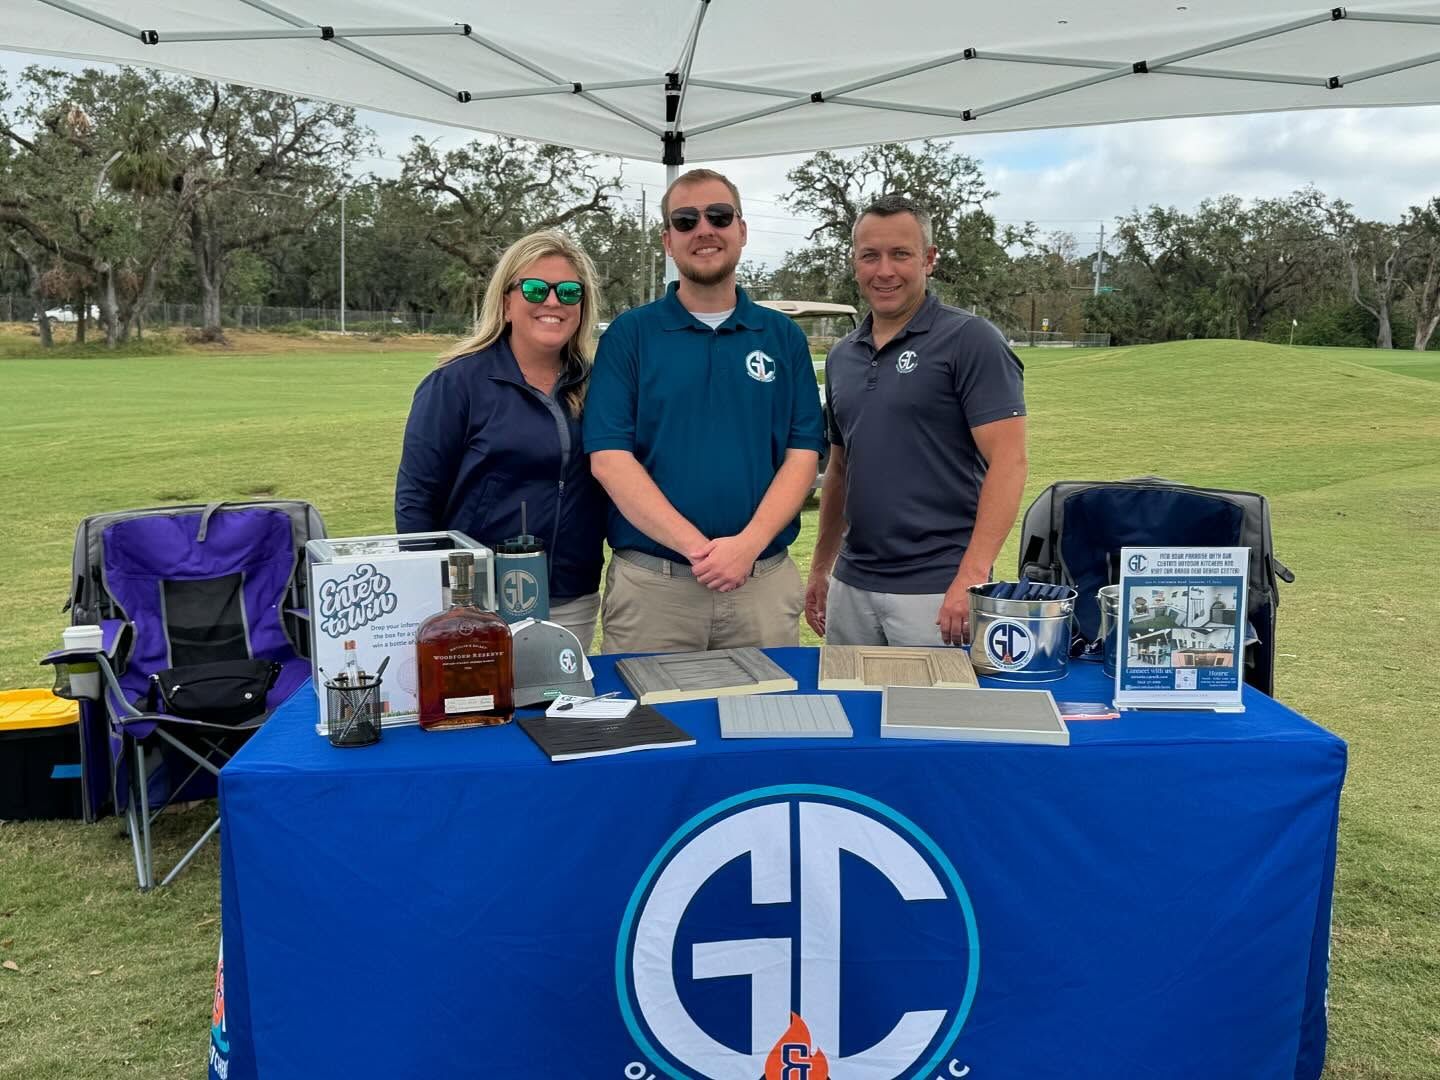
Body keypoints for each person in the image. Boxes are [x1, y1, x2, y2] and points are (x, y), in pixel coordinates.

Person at [583, 168, 825, 653]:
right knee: (650, 729)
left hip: (761, 583)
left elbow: (803, 456)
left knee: (764, 724)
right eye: (686, 220)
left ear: (741, 229)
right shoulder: (629, 337)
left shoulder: (782, 337)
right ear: (668, 240)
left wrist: (747, 545)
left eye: (718, 216)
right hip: (655, 590)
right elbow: (609, 459)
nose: (704, 230)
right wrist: (703, 552)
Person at [805, 194, 1029, 647]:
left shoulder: (971, 340)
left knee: (929, 717)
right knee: (851, 713)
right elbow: (841, 469)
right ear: (855, 262)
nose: (884, 270)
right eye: (870, 255)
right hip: (852, 586)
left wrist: (971, 578)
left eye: (900, 254)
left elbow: (1010, 462)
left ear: (928, 260)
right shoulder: (842, 355)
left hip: (937, 591)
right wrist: (821, 566)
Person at [395, 230, 609, 650]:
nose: (552, 302)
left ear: (582, 307)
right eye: (534, 288)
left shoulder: (598, 386)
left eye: (569, 292)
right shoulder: (455, 384)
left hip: (571, 598)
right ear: (507, 301)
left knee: (557, 713)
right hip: (478, 604)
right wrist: (435, 596)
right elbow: (416, 500)